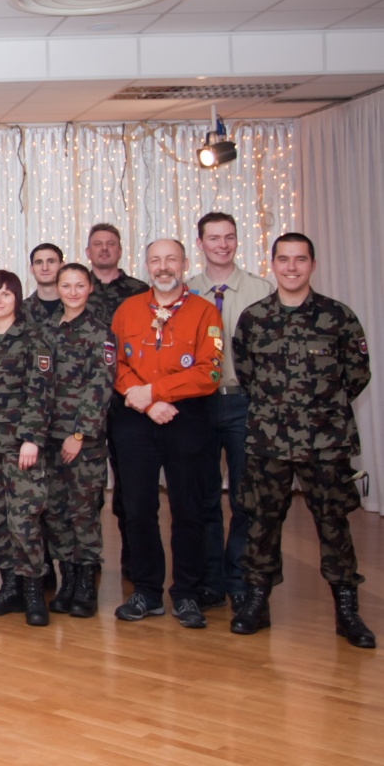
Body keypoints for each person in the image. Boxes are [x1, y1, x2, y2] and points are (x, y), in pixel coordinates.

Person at [231, 233, 375, 648]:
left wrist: (319, 409)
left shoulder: (337, 317)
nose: (291, 268)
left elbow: (357, 374)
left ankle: (347, 611)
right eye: (284, 260)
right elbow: (247, 375)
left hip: (326, 443)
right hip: (268, 440)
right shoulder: (254, 318)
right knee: (262, 524)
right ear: (272, 264)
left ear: (313, 264)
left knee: (334, 526)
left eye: (300, 260)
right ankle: (257, 602)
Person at [109, 239, 222, 629]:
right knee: (138, 508)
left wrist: (157, 393)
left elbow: (209, 371)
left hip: (186, 416)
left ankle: (187, 593)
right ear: (146, 265)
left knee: (188, 508)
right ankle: (146, 591)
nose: (163, 267)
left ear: (185, 263)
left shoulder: (205, 311)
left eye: (171, 259)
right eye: (155, 260)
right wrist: (143, 401)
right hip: (136, 417)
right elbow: (116, 364)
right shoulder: (127, 309)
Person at [189, 211, 273, 610]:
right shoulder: (185, 293)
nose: (222, 245)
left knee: (245, 497)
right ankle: (211, 580)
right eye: (213, 238)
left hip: (245, 401)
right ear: (200, 243)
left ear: (237, 241)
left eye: (229, 237)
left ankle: (240, 578)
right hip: (198, 404)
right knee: (203, 497)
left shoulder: (262, 289)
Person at [0, 271, 55, 627]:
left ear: (17, 298)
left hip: (20, 447)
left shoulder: (33, 338)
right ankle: (9, 587)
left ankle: (34, 592)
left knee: (24, 521)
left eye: (6, 294)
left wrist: (32, 438)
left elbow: (41, 392)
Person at [43, 264, 116, 619]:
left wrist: (78, 434)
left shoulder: (98, 332)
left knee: (83, 512)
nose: (72, 291)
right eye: (66, 285)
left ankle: (86, 583)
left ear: (89, 289)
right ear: (57, 288)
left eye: (79, 285)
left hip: (81, 441)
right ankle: (67, 579)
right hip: (47, 439)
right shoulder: (44, 330)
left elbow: (99, 388)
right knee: (55, 512)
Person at [84, 223, 150, 578]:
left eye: (111, 244)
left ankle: (133, 560)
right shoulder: (78, 290)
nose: (105, 250)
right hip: (86, 404)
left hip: (130, 400)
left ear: (121, 250)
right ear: (88, 251)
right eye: (98, 244)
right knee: (87, 488)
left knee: (131, 488)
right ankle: (87, 562)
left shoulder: (140, 292)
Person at [25, 244, 64, 326]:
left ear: (62, 266)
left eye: (51, 261)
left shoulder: (75, 307)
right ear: (31, 269)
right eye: (39, 262)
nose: (45, 268)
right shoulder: (20, 311)